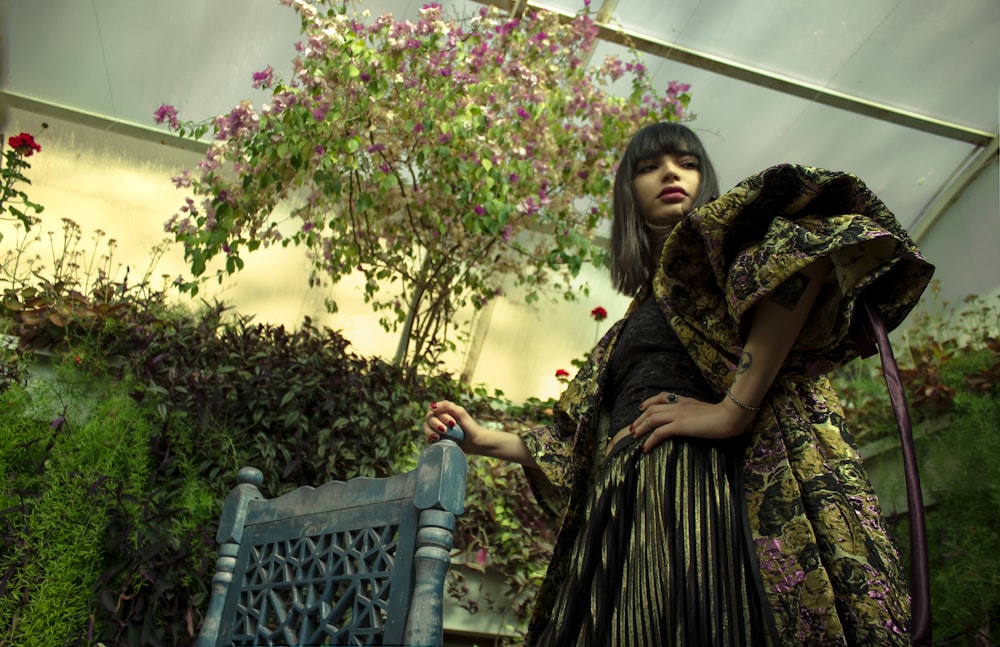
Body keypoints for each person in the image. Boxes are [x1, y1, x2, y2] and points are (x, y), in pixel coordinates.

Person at [422, 122, 934, 646]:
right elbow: (572, 443)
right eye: (649, 166)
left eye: (686, 163)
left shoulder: (732, 256)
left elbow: (815, 245)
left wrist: (730, 409)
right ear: (629, 196)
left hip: (700, 492)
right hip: (620, 507)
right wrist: (483, 439)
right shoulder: (634, 317)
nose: (670, 171)